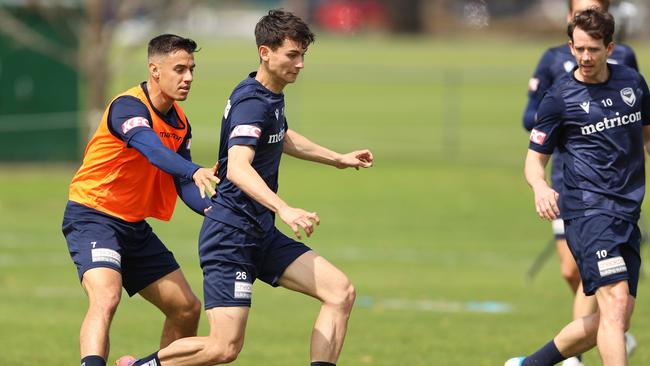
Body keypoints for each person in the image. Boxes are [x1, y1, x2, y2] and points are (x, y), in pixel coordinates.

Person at [117, 9, 373, 366]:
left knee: (340, 292)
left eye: (303, 56)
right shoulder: (252, 101)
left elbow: (281, 135)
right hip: (231, 236)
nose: (300, 64)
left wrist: (337, 158)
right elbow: (238, 167)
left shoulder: (269, 96)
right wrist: (284, 208)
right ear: (265, 53)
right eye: (292, 55)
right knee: (223, 348)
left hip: (260, 232)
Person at [62, 34, 219, 366]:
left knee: (186, 308)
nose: (188, 77)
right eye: (179, 68)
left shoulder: (180, 123)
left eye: (192, 69)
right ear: (155, 70)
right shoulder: (128, 107)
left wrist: (215, 210)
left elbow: (184, 185)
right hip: (93, 214)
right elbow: (151, 149)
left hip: (133, 226)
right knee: (106, 296)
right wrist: (195, 170)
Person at [507, 8, 650, 366]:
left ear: (610, 48)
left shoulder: (632, 82)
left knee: (613, 318)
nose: (585, 57)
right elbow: (534, 158)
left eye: (593, 50)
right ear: (571, 46)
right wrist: (540, 188)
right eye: (579, 49)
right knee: (614, 307)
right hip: (587, 213)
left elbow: (647, 136)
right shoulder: (560, 97)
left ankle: (529, 365)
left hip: (626, 213)